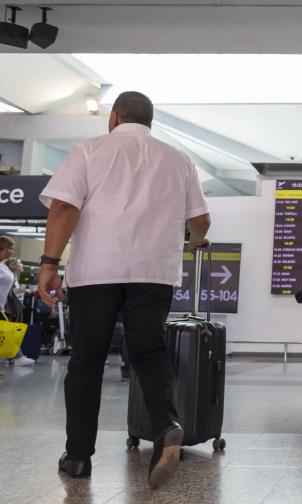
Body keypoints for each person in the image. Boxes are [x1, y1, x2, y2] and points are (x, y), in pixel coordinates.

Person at [37, 91, 211, 487]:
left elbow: (63, 208)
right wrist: (195, 241)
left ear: (113, 117)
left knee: (87, 362)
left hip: (96, 271)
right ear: (150, 122)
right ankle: (167, 425)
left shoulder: (89, 150)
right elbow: (200, 218)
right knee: (149, 354)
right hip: (153, 272)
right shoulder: (178, 159)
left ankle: (79, 457)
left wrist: (49, 264)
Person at [0, 240, 34, 367]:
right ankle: (17, 357)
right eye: (9, 248)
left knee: (6, 333)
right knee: (7, 332)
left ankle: (16, 356)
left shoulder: (3, 266)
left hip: (2, 306)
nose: (11, 251)